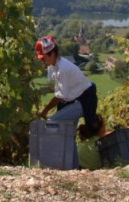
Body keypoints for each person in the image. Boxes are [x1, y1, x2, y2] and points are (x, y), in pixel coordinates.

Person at [36, 35, 99, 169]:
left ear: (52, 54)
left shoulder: (62, 69)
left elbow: (60, 95)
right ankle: (74, 167)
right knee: (69, 134)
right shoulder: (53, 66)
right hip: (73, 99)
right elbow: (53, 87)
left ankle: (58, 164)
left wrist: (45, 111)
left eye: (44, 58)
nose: (42, 61)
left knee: (54, 123)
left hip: (84, 100)